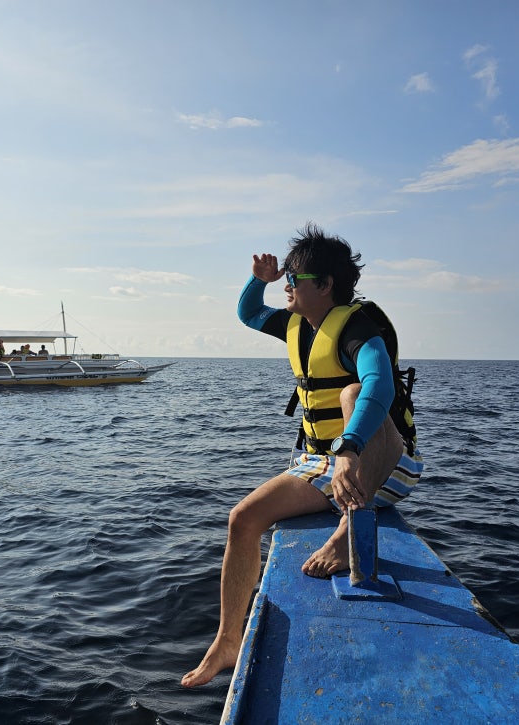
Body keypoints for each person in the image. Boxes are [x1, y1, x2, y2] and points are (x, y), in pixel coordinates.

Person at [181, 223, 424, 688]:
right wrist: (261, 280)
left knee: (353, 391)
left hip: (384, 463)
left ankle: (348, 529)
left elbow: (378, 383)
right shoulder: (298, 325)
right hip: (323, 464)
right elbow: (249, 313)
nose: (288, 286)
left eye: (295, 278)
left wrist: (350, 448)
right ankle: (228, 641)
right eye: (287, 278)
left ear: (327, 285)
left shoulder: (359, 328)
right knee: (242, 519)